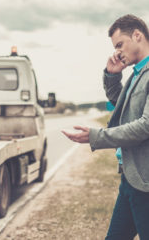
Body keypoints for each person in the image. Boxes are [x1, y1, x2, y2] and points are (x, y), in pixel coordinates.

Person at [62, 14, 149, 240]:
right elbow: (123, 108)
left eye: (120, 44)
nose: (117, 52)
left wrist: (96, 136)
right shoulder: (138, 74)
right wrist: (112, 76)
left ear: (137, 35)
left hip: (146, 183)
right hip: (130, 177)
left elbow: (145, 127)